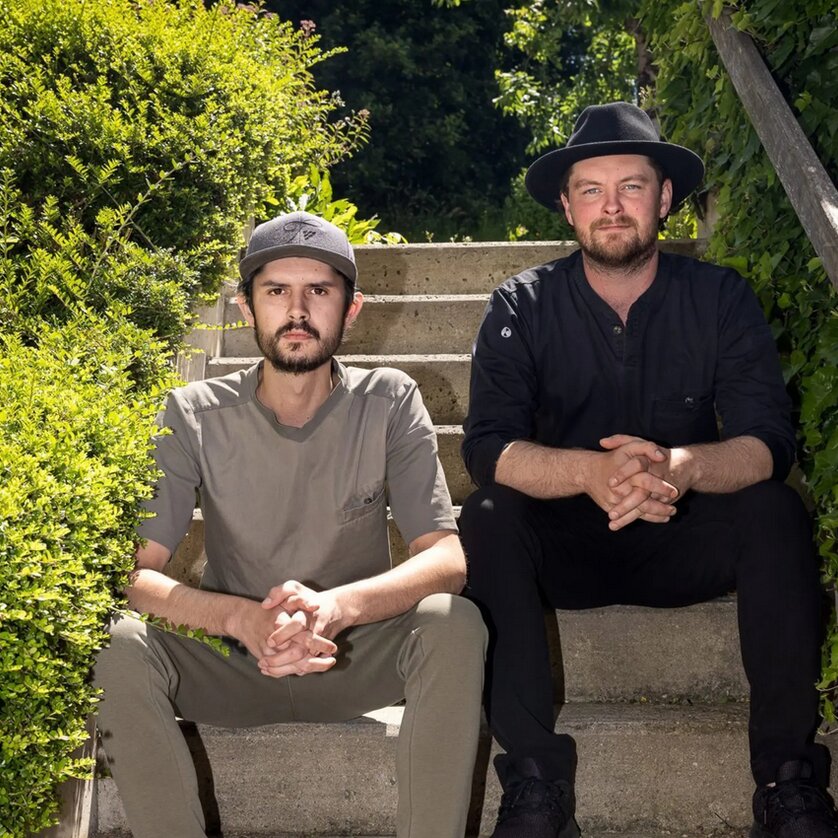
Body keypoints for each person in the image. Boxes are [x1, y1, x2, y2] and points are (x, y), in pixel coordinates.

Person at [459, 102, 838, 838]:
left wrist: (682, 467)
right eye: (591, 190)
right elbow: (488, 449)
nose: (612, 207)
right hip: (563, 548)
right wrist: (589, 475)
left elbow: (768, 440)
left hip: (681, 538)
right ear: (567, 205)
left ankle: (788, 781)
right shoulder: (519, 305)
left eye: (632, 186)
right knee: (486, 516)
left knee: (776, 511)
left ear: (665, 199)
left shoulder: (720, 297)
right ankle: (536, 785)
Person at [95, 210, 487, 838]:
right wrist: (240, 619)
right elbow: (136, 577)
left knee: (454, 621)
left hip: (354, 655)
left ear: (351, 308)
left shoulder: (390, 400)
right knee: (117, 642)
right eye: (276, 291)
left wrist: (335, 608)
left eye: (319, 291)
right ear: (247, 308)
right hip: (231, 664)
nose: (297, 310)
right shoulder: (193, 412)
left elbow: (446, 560)